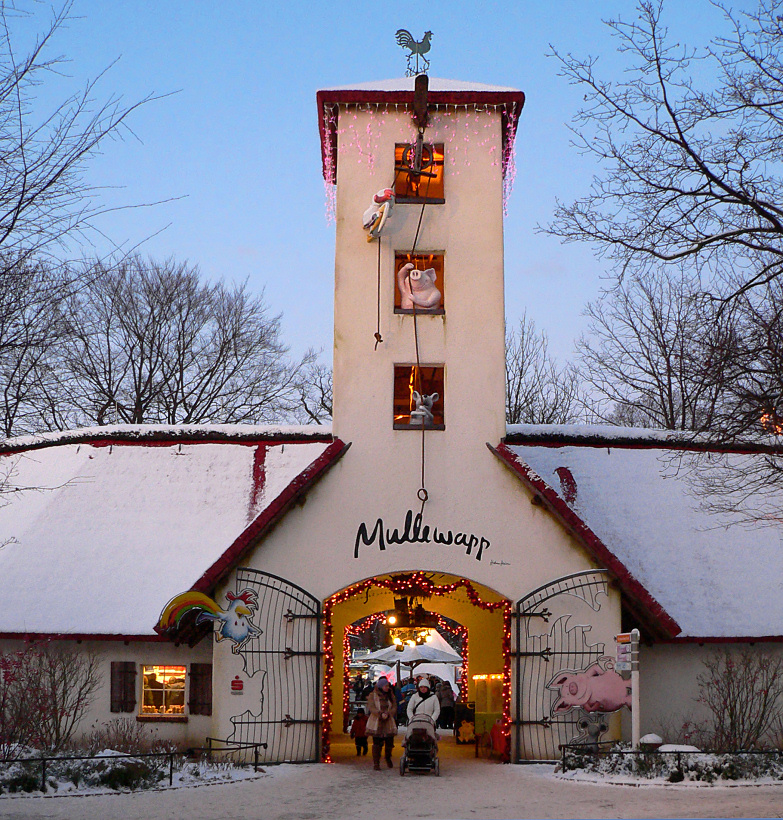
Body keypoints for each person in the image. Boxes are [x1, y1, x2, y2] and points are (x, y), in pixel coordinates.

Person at [365, 676, 397, 770]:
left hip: (388, 720)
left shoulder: (391, 695)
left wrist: (389, 713)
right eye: (385, 686)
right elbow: (371, 706)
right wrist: (379, 713)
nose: (387, 688)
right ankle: (376, 762)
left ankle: (388, 757)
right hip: (376, 720)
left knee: (389, 742)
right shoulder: (373, 695)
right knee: (377, 743)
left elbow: (394, 705)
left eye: (388, 686)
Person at [405, 676, 440, 743]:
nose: (423, 689)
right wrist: (412, 718)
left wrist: (432, 719)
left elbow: (437, 710)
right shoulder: (414, 696)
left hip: (429, 722)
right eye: (421, 687)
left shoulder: (433, 697)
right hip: (416, 721)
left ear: (428, 688)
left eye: (424, 687)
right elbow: (409, 709)